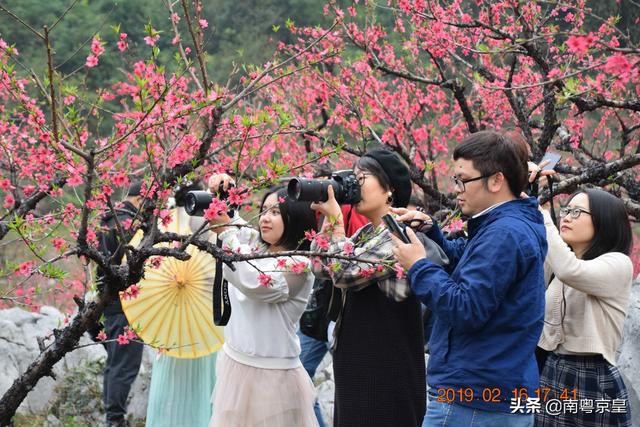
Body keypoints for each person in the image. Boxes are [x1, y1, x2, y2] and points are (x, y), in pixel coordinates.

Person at [391, 131, 547, 426]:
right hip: (487, 388)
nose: (457, 189)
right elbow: (467, 265)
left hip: (474, 399)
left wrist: (418, 266)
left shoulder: (504, 234)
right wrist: (431, 231)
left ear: (496, 180)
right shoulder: (504, 225)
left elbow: (466, 308)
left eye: (464, 180)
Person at [310, 149, 447, 427]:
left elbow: (342, 273)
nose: (354, 185)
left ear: (390, 190)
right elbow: (319, 267)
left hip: (385, 367)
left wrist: (337, 224)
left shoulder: (398, 237)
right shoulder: (366, 234)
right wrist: (329, 222)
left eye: (362, 177)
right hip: (357, 359)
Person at [207, 174, 319, 427]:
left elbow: (255, 283)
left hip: (273, 378)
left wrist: (226, 232)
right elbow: (234, 225)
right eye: (263, 210)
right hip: (235, 365)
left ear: (296, 219)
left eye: (276, 212)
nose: (265, 218)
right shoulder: (259, 247)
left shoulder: (299, 265)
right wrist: (221, 191)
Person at [527, 176, 634, 425]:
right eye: (566, 210)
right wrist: (527, 188)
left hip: (591, 375)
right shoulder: (560, 263)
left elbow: (570, 271)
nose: (566, 217)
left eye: (577, 212)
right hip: (553, 369)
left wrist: (541, 214)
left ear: (605, 220)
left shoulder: (618, 263)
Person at [145, 180, 219, 427]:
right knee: (201, 382)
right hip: (202, 313)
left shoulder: (163, 228)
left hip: (171, 314)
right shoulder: (206, 225)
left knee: (170, 387)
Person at [298, 204, 369, 427]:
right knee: (300, 378)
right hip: (323, 314)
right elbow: (318, 264)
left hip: (341, 314)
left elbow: (346, 270)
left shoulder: (359, 213)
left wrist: (338, 225)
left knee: (346, 388)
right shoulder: (330, 212)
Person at [97, 181, 144, 427]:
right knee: (124, 366)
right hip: (127, 303)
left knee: (115, 364)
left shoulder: (108, 220)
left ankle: (112, 418)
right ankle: (115, 420)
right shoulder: (129, 225)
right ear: (139, 199)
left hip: (110, 303)